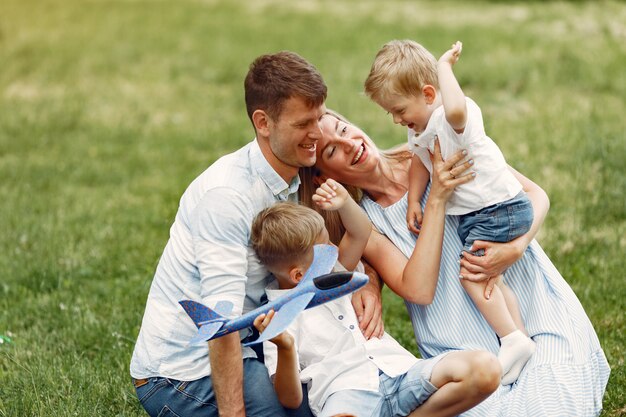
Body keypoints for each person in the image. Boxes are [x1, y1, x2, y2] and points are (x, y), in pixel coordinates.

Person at [299, 109, 610, 416]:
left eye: (342, 130)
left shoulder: (429, 149)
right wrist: (436, 199)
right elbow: (418, 290)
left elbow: (534, 194)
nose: (350, 144)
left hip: (522, 298)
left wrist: (516, 247)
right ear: (325, 176)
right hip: (456, 334)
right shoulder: (363, 221)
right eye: (332, 150)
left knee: (557, 401)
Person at [129, 51, 381, 417]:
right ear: (263, 122)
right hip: (182, 373)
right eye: (303, 124)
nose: (318, 133)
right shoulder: (226, 197)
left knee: (353, 397)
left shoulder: (302, 173)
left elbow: (353, 238)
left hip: (260, 342)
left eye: (320, 117)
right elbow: (220, 323)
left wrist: (368, 281)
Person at [363, 39, 535, 385]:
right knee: (492, 279)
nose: (397, 120)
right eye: (391, 114)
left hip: (498, 209)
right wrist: (414, 200)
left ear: (429, 94)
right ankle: (519, 338)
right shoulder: (420, 130)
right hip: (485, 213)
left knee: (473, 275)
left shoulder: (450, 117)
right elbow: (420, 164)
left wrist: (444, 69)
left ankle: (512, 340)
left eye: (399, 110)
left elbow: (455, 108)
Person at [249, 179, 500, 417]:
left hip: (399, 372)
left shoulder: (335, 272)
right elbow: (290, 399)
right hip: (347, 393)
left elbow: (360, 231)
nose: (336, 250)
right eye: (327, 249)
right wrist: (285, 346)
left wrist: (344, 201)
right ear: (298, 275)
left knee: (485, 369)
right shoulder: (278, 319)